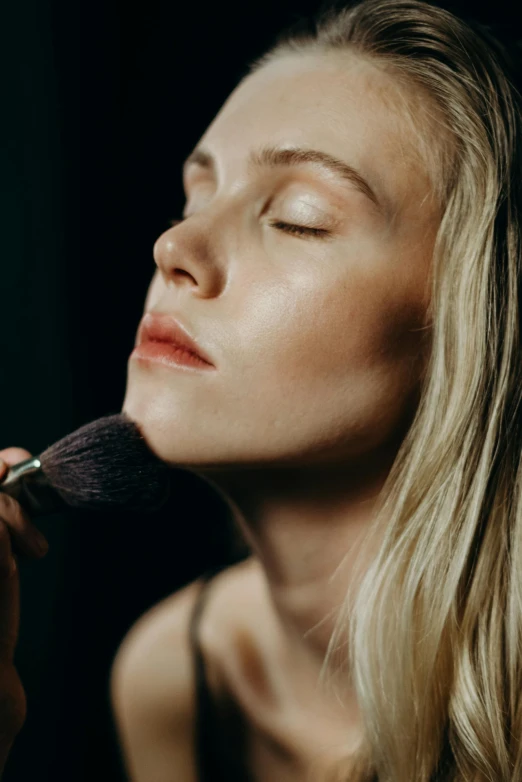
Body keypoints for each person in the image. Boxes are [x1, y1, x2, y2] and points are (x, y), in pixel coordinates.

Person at [1, 0, 522, 779]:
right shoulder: (174, 673)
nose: (173, 245)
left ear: (470, 321)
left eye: (299, 219)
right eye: (193, 199)